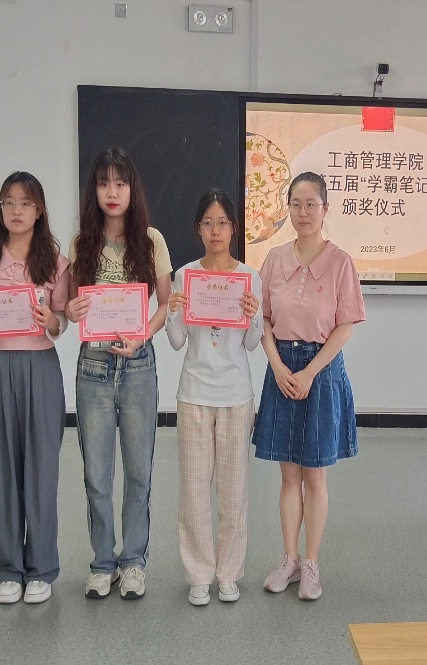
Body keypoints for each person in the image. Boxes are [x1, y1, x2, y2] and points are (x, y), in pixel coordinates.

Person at [65, 148, 173, 600]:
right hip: (92, 366)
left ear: (132, 189)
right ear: (94, 190)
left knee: (138, 473)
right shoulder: (82, 241)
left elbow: (165, 304)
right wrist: (71, 310)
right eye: (104, 183)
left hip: (137, 366)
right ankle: (102, 563)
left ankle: (132, 562)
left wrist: (142, 336)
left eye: (121, 183)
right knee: (96, 475)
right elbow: (72, 306)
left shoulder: (151, 240)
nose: (112, 192)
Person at [254, 172, 366, 601]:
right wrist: (278, 365)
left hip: (321, 371)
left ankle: (312, 562)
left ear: (325, 209)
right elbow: (263, 319)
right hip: (281, 367)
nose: (303, 213)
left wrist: (309, 372)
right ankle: (289, 559)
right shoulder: (274, 258)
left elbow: (344, 327)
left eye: (311, 204)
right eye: (296, 204)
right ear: (288, 209)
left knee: (315, 475)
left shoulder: (340, 262)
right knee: (288, 474)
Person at [0, 171, 69, 605]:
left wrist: (53, 321)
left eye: (26, 203)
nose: (17, 210)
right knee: (1, 467)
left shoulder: (56, 261)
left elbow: (62, 323)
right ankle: (9, 570)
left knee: (42, 468)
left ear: (39, 210)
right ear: (0, 209)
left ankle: (40, 569)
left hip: (40, 366)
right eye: (9, 202)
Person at [165, 189, 263, 606]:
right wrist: (173, 310)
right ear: (198, 229)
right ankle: (199, 574)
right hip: (194, 393)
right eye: (208, 223)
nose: (216, 230)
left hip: (236, 394)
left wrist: (254, 315)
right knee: (193, 489)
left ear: (234, 228)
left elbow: (253, 344)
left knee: (233, 489)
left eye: (223, 222)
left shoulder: (250, 277)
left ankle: (229, 573)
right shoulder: (186, 275)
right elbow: (176, 341)